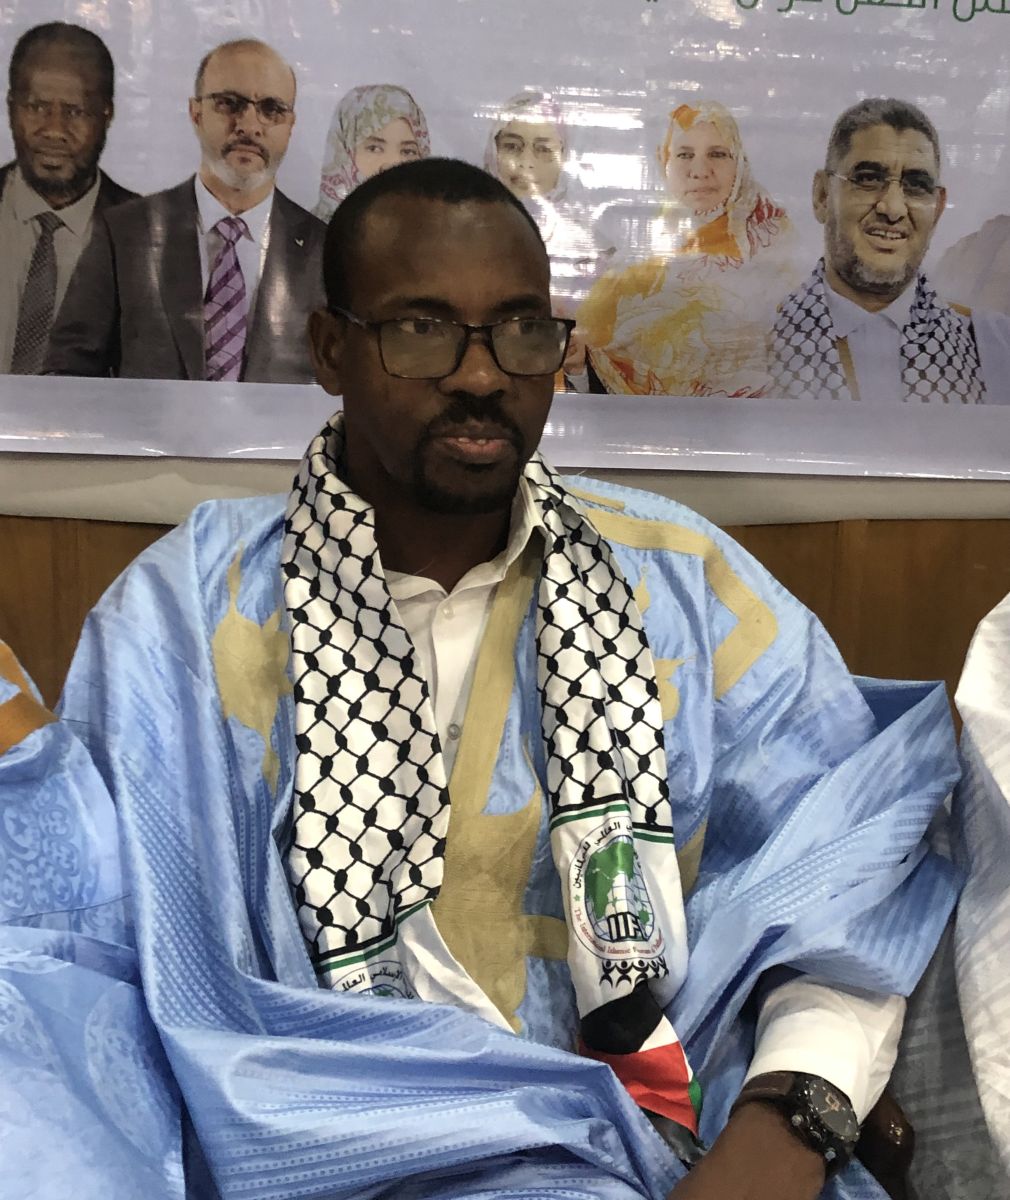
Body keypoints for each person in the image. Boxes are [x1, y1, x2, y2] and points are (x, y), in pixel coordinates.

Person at [0, 158, 961, 1200]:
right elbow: (82, 960)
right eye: (421, 328)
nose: (480, 375)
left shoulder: (681, 585)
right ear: (329, 349)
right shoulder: (187, 611)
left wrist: (788, 1123)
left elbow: (855, 858)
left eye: (518, 330)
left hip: (663, 1160)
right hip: (294, 1163)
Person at [43, 37, 324, 383]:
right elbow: (66, 377)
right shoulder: (124, 234)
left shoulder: (323, 251)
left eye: (271, 109)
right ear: (196, 113)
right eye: (229, 103)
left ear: (291, 125)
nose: (249, 126)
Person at [769, 97, 1010, 405]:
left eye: (916, 185)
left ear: (937, 209)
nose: (893, 208)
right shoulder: (753, 341)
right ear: (822, 196)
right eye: (868, 179)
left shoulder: (994, 348)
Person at [576, 100, 799, 396]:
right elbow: (588, 345)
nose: (700, 170)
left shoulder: (773, 242)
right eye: (684, 154)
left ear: (739, 162)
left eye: (717, 154)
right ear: (664, 160)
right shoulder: (642, 244)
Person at [0, 21, 135, 375]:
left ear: (107, 115)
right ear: (11, 108)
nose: (54, 130)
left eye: (75, 112)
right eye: (37, 107)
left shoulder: (146, 237)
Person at [483, 90, 611, 311]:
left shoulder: (589, 251)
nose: (526, 163)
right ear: (494, 150)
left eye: (543, 149)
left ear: (563, 157)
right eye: (512, 146)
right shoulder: (465, 235)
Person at [314, 83, 430, 221]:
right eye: (374, 148)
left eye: (408, 152)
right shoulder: (312, 231)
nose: (392, 164)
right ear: (344, 152)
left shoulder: (437, 230)